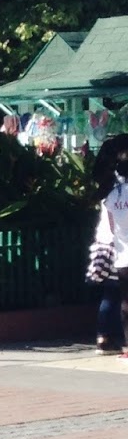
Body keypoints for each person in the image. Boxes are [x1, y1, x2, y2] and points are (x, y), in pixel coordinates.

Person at [90, 141, 128, 355]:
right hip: (119, 243)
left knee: (112, 293)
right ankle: (108, 335)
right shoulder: (120, 184)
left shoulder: (108, 185)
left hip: (106, 242)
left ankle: (104, 336)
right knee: (116, 294)